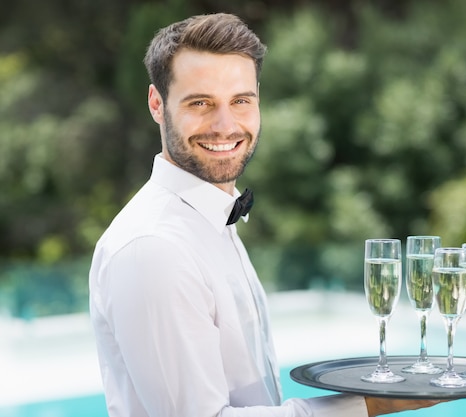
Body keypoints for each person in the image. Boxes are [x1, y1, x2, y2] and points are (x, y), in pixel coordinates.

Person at [89, 13, 445, 417]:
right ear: (158, 104)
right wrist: (365, 404)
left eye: (241, 101)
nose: (225, 126)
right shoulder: (153, 249)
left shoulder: (213, 220)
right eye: (201, 103)